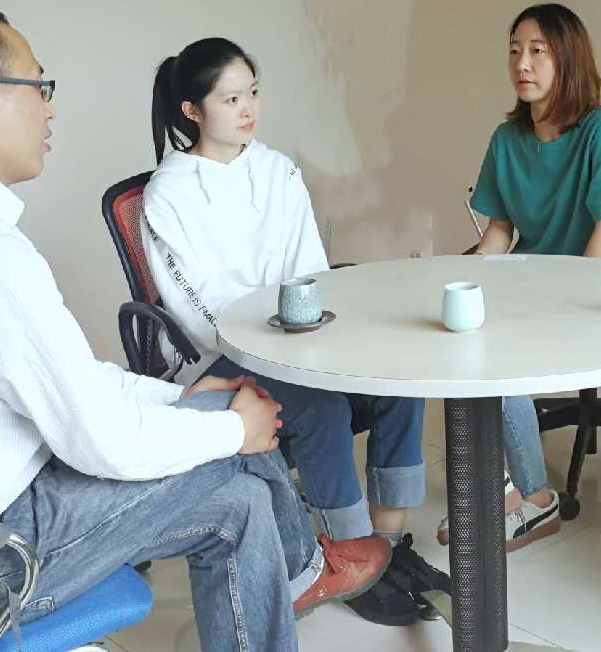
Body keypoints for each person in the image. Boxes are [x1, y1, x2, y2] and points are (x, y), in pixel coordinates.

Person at [0, 0, 389, 650]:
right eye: (39, 86)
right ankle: (303, 569)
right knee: (237, 464)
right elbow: (98, 438)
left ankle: (300, 570)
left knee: (238, 481)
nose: (49, 109)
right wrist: (233, 429)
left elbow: (71, 381)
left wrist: (176, 397)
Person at [142, 37, 448, 627]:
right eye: (231, 99)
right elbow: (197, 309)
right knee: (318, 405)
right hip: (221, 356)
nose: (248, 109)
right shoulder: (169, 194)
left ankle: (387, 548)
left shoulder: (277, 170)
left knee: (398, 380)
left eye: (253, 93)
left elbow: (310, 271)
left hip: (299, 337)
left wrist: (310, 334)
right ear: (192, 110)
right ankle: (350, 557)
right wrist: (278, 347)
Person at [440, 3, 601, 551]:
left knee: (494, 368)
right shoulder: (507, 138)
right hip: (527, 289)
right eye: (514, 51)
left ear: (568, 58)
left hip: (593, 294)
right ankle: (497, 492)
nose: (521, 64)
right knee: (457, 344)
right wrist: (466, 282)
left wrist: (564, 303)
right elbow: (500, 232)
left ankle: (536, 500)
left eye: (538, 51)